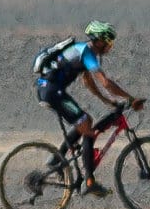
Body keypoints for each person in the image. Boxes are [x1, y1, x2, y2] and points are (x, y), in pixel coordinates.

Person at [34, 20, 142, 181]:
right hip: (52, 91)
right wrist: (131, 99)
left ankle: (57, 159)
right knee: (87, 127)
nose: (110, 46)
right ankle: (89, 181)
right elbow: (105, 82)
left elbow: (88, 82)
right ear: (99, 41)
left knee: (85, 121)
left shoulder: (81, 51)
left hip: (48, 89)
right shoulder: (87, 52)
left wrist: (106, 100)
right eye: (108, 42)